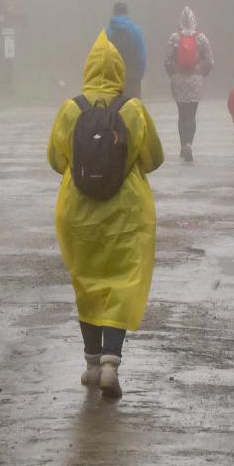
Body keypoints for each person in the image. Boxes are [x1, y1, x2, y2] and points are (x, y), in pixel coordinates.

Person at [48, 33, 165, 399]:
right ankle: (112, 363)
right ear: (119, 71)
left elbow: (55, 160)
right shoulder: (132, 109)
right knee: (121, 284)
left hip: (79, 213)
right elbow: (153, 158)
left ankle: (91, 364)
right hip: (125, 212)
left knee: (87, 283)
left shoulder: (71, 108)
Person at [163, 6, 214, 162]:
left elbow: (167, 60)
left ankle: (182, 145)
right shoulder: (201, 38)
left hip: (178, 80)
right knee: (191, 114)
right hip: (195, 80)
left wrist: (174, 73)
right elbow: (210, 61)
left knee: (182, 114)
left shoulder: (174, 38)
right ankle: (189, 145)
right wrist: (200, 72)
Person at [104, 3, 146, 98]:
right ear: (127, 13)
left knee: (115, 109)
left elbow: (104, 57)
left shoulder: (107, 32)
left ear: (113, 13)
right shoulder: (136, 31)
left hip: (113, 78)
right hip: (132, 77)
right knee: (132, 108)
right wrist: (138, 76)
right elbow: (141, 56)